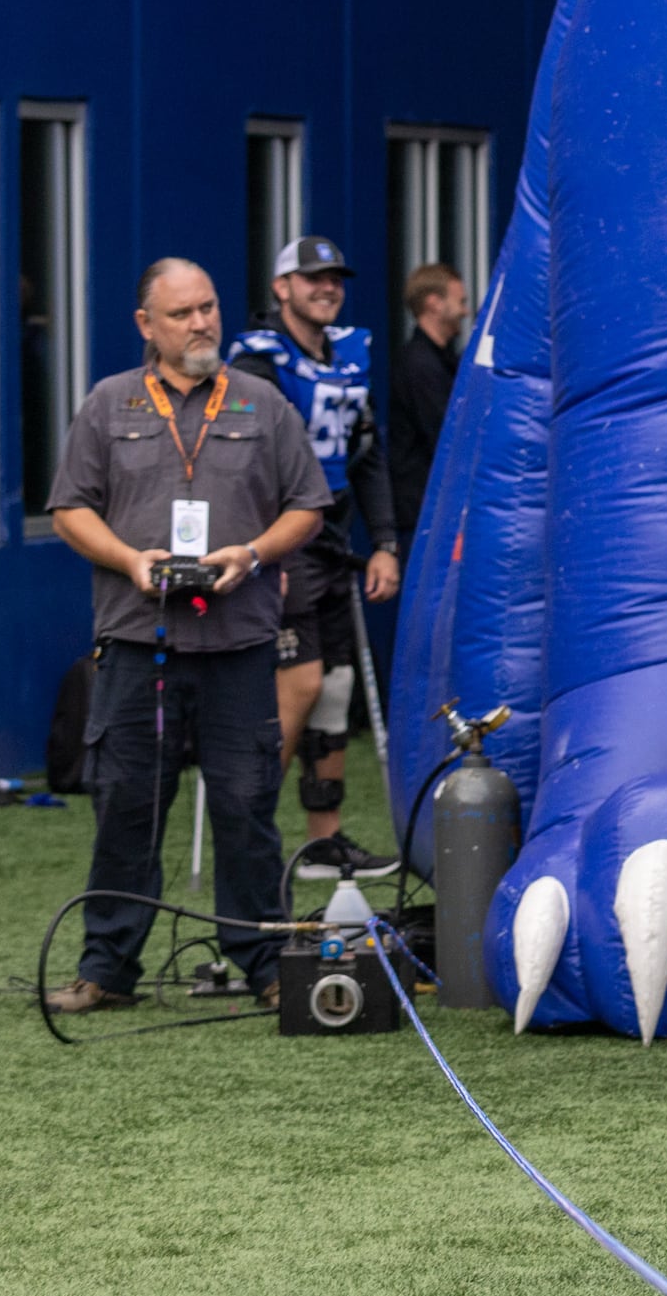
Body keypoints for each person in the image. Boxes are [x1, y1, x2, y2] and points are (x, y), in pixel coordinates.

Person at [42, 260, 329, 1012]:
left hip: (239, 643)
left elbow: (309, 507)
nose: (201, 322)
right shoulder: (109, 404)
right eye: (182, 313)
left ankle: (265, 964)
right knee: (128, 805)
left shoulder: (263, 404)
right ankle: (107, 968)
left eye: (208, 306)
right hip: (139, 641)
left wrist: (256, 553)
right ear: (147, 325)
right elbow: (69, 509)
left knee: (246, 804)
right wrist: (130, 558)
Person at [231, 235, 400, 882]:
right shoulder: (258, 361)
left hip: (332, 540)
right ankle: (248, 828)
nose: (327, 287)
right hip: (277, 539)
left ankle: (322, 845)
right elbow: (238, 463)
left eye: (335, 277)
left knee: (335, 686)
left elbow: (369, 451)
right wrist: (256, 552)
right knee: (298, 683)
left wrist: (383, 540)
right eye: (312, 278)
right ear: (282, 288)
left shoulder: (350, 355)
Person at [380, 261, 466, 540]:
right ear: (434, 303)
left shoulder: (440, 361)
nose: (465, 312)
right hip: (424, 515)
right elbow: (447, 434)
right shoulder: (419, 364)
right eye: (460, 302)